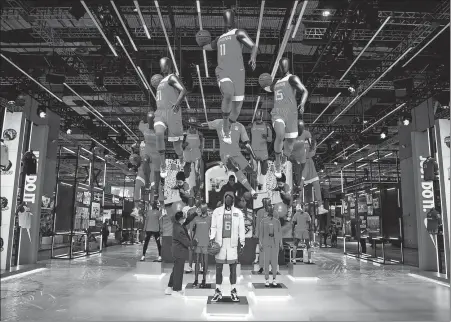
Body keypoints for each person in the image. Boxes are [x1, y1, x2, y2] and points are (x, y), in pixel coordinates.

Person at [202, 9, 257, 144]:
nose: (228, 20)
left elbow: (253, 46)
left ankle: (226, 126)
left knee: (236, 110)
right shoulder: (219, 38)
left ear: (234, 19)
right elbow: (207, 47)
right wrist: (201, 43)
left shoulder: (239, 32)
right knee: (228, 93)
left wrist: (253, 57)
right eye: (226, 17)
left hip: (238, 73)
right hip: (223, 71)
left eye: (230, 17)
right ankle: (225, 129)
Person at [261, 57, 308, 178]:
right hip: (278, 112)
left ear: (288, 66)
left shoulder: (292, 78)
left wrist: (302, 104)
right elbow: (267, 88)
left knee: (289, 145)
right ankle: (277, 163)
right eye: (281, 65)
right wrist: (262, 82)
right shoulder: (276, 82)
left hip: (291, 114)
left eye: (284, 64)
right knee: (280, 134)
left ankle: (283, 158)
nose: (283, 67)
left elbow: (305, 91)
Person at [204, 119, 259, 198]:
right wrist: (192, 124)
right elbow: (203, 125)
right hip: (225, 154)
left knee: (249, 170)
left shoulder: (240, 126)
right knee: (235, 168)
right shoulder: (219, 122)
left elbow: (246, 143)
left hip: (237, 154)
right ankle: (252, 190)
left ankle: (253, 189)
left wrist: (254, 156)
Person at [153, 57, 188, 178]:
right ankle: (163, 165)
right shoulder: (160, 81)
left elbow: (183, 90)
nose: (162, 66)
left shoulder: (172, 77)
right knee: (158, 134)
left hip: (172, 112)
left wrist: (177, 103)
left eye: (163, 64)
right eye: (160, 64)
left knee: (177, 146)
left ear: (168, 65)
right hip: (160, 113)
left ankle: (181, 157)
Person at [210, 192, 245, 302]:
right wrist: (211, 238)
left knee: (233, 269)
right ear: (224, 199)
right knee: (218, 268)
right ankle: (218, 291)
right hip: (220, 243)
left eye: (230, 198)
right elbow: (213, 226)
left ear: (233, 200)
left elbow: (241, 229)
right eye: (226, 198)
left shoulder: (238, 213)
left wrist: (242, 242)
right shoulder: (217, 212)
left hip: (232, 244)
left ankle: (233, 291)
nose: (228, 200)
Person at [165, 209, 198, 297]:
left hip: (177, 251)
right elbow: (187, 242)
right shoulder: (179, 229)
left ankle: (169, 287)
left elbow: (187, 220)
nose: (185, 219)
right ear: (180, 219)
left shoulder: (177, 224)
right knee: (179, 271)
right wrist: (194, 242)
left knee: (175, 269)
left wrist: (194, 214)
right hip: (179, 252)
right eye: (183, 218)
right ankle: (176, 290)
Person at [302, 135, 328, 214]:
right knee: (315, 188)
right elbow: (312, 153)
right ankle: (320, 206)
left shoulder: (305, 152)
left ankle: (320, 207)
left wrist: (314, 144)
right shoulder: (305, 153)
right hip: (307, 171)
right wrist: (314, 145)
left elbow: (312, 152)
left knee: (315, 188)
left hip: (309, 172)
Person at [259, 203, 282, 286]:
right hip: (266, 242)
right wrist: (260, 243)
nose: (271, 211)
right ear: (267, 211)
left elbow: (279, 233)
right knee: (266, 261)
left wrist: (281, 242)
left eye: (272, 209)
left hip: (275, 243)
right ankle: (267, 279)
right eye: (269, 210)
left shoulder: (277, 222)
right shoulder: (263, 221)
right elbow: (261, 234)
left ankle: (274, 279)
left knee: (274, 262)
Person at [249, 109, 272, 191]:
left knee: (264, 172)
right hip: (254, 152)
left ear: (262, 115)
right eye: (256, 114)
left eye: (259, 114)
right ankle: (254, 188)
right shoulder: (251, 125)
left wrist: (265, 137)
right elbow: (248, 139)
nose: (258, 116)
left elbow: (270, 139)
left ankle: (263, 187)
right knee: (254, 171)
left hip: (263, 153)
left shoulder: (267, 125)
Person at [191, 202, 211, 287]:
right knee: (197, 262)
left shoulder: (210, 219)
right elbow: (192, 231)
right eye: (201, 208)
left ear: (206, 209)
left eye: (204, 208)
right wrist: (192, 241)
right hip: (197, 243)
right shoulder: (196, 219)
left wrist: (212, 240)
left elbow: (213, 230)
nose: (203, 209)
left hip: (206, 242)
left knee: (205, 262)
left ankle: (204, 279)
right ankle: (196, 280)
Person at [182, 117, 204, 196]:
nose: (192, 127)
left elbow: (202, 143)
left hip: (196, 155)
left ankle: (198, 189)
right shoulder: (185, 133)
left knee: (197, 172)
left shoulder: (199, 134)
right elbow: (180, 145)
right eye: (191, 125)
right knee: (186, 174)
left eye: (194, 125)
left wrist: (201, 150)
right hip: (187, 155)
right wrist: (183, 145)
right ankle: (186, 189)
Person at [254, 198, 271, 274]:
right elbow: (257, 223)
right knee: (262, 251)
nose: (267, 204)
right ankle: (261, 267)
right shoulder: (260, 212)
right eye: (265, 202)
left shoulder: (273, 211)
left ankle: (269, 265)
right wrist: (257, 233)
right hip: (262, 234)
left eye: (268, 202)